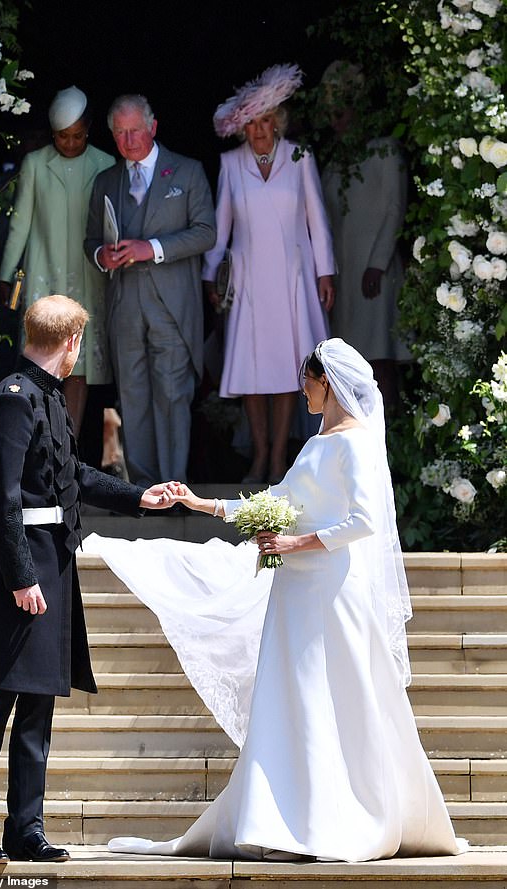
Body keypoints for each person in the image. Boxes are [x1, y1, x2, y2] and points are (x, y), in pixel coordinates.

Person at [85, 338, 464, 861]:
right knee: (295, 698)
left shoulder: (352, 442)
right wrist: (200, 502)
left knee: (334, 694)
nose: (301, 388)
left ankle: (334, 819)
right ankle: (287, 819)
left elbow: (363, 521)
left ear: (326, 383)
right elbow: (277, 503)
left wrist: (294, 543)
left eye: (306, 380)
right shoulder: (318, 443)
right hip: (297, 591)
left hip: (330, 589)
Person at [0, 294, 178, 865]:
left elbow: (71, 475)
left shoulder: (48, 398)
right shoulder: (12, 400)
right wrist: (21, 577)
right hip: (19, 571)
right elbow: (0, 500)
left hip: (50, 565)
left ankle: (24, 828)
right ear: (72, 342)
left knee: (37, 708)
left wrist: (138, 498)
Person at [202, 64, 335, 484]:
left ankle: (279, 457)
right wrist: (211, 275)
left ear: (277, 122)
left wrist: (325, 273)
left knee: (286, 371)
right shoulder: (230, 163)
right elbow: (221, 226)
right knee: (252, 374)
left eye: (265, 121)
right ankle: (259, 456)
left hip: (292, 277)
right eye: (252, 123)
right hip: (248, 280)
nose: (259, 130)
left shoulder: (300, 157)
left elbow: (318, 221)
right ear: (242, 128)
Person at [84, 94, 216, 487]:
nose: (128, 140)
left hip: (172, 305)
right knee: (133, 396)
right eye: (120, 133)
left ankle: (175, 487)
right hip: (124, 304)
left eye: (135, 130)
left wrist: (152, 248)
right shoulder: (106, 180)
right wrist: (100, 256)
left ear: (153, 128)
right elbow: (90, 239)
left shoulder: (188, 172)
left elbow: (207, 233)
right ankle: (143, 489)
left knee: (174, 395)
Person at [0, 85, 114, 442]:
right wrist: (5, 274)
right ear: (52, 134)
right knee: (40, 361)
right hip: (43, 274)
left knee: (78, 365)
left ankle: (71, 444)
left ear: (88, 129)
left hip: (88, 276)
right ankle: (39, 443)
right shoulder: (35, 164)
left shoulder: (105, 163)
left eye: (77, 135)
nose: (70, 143)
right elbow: (20, 223)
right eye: (63, 136)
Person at [319, 61, 410, 411]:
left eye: (343, 110)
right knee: (349, 360)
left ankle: (390, 438)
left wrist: (377, 264)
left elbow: (394, 210)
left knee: (379, 357)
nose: (337, 119)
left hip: (375, 273)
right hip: (344, 274)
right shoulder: (334, 163)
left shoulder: (385, 150)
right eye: (332, 113)